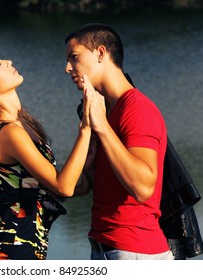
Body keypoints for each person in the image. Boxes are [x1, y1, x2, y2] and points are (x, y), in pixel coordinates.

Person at [0, 46, 92, 260]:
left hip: (27, 250)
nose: (7, 62)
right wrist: (87, 128)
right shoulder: (8, 132)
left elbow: (53, 189)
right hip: (15, 252)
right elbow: (63, 186)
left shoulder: (22, 124)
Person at [65, 23, 174, 260]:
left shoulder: (136, 110)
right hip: (109, 247)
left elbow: (144, 188)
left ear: (101, 53)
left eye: (74, 58)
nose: (67, 68)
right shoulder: (103, 109)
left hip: (134, 251)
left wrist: (102, 127)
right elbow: (87, 186)